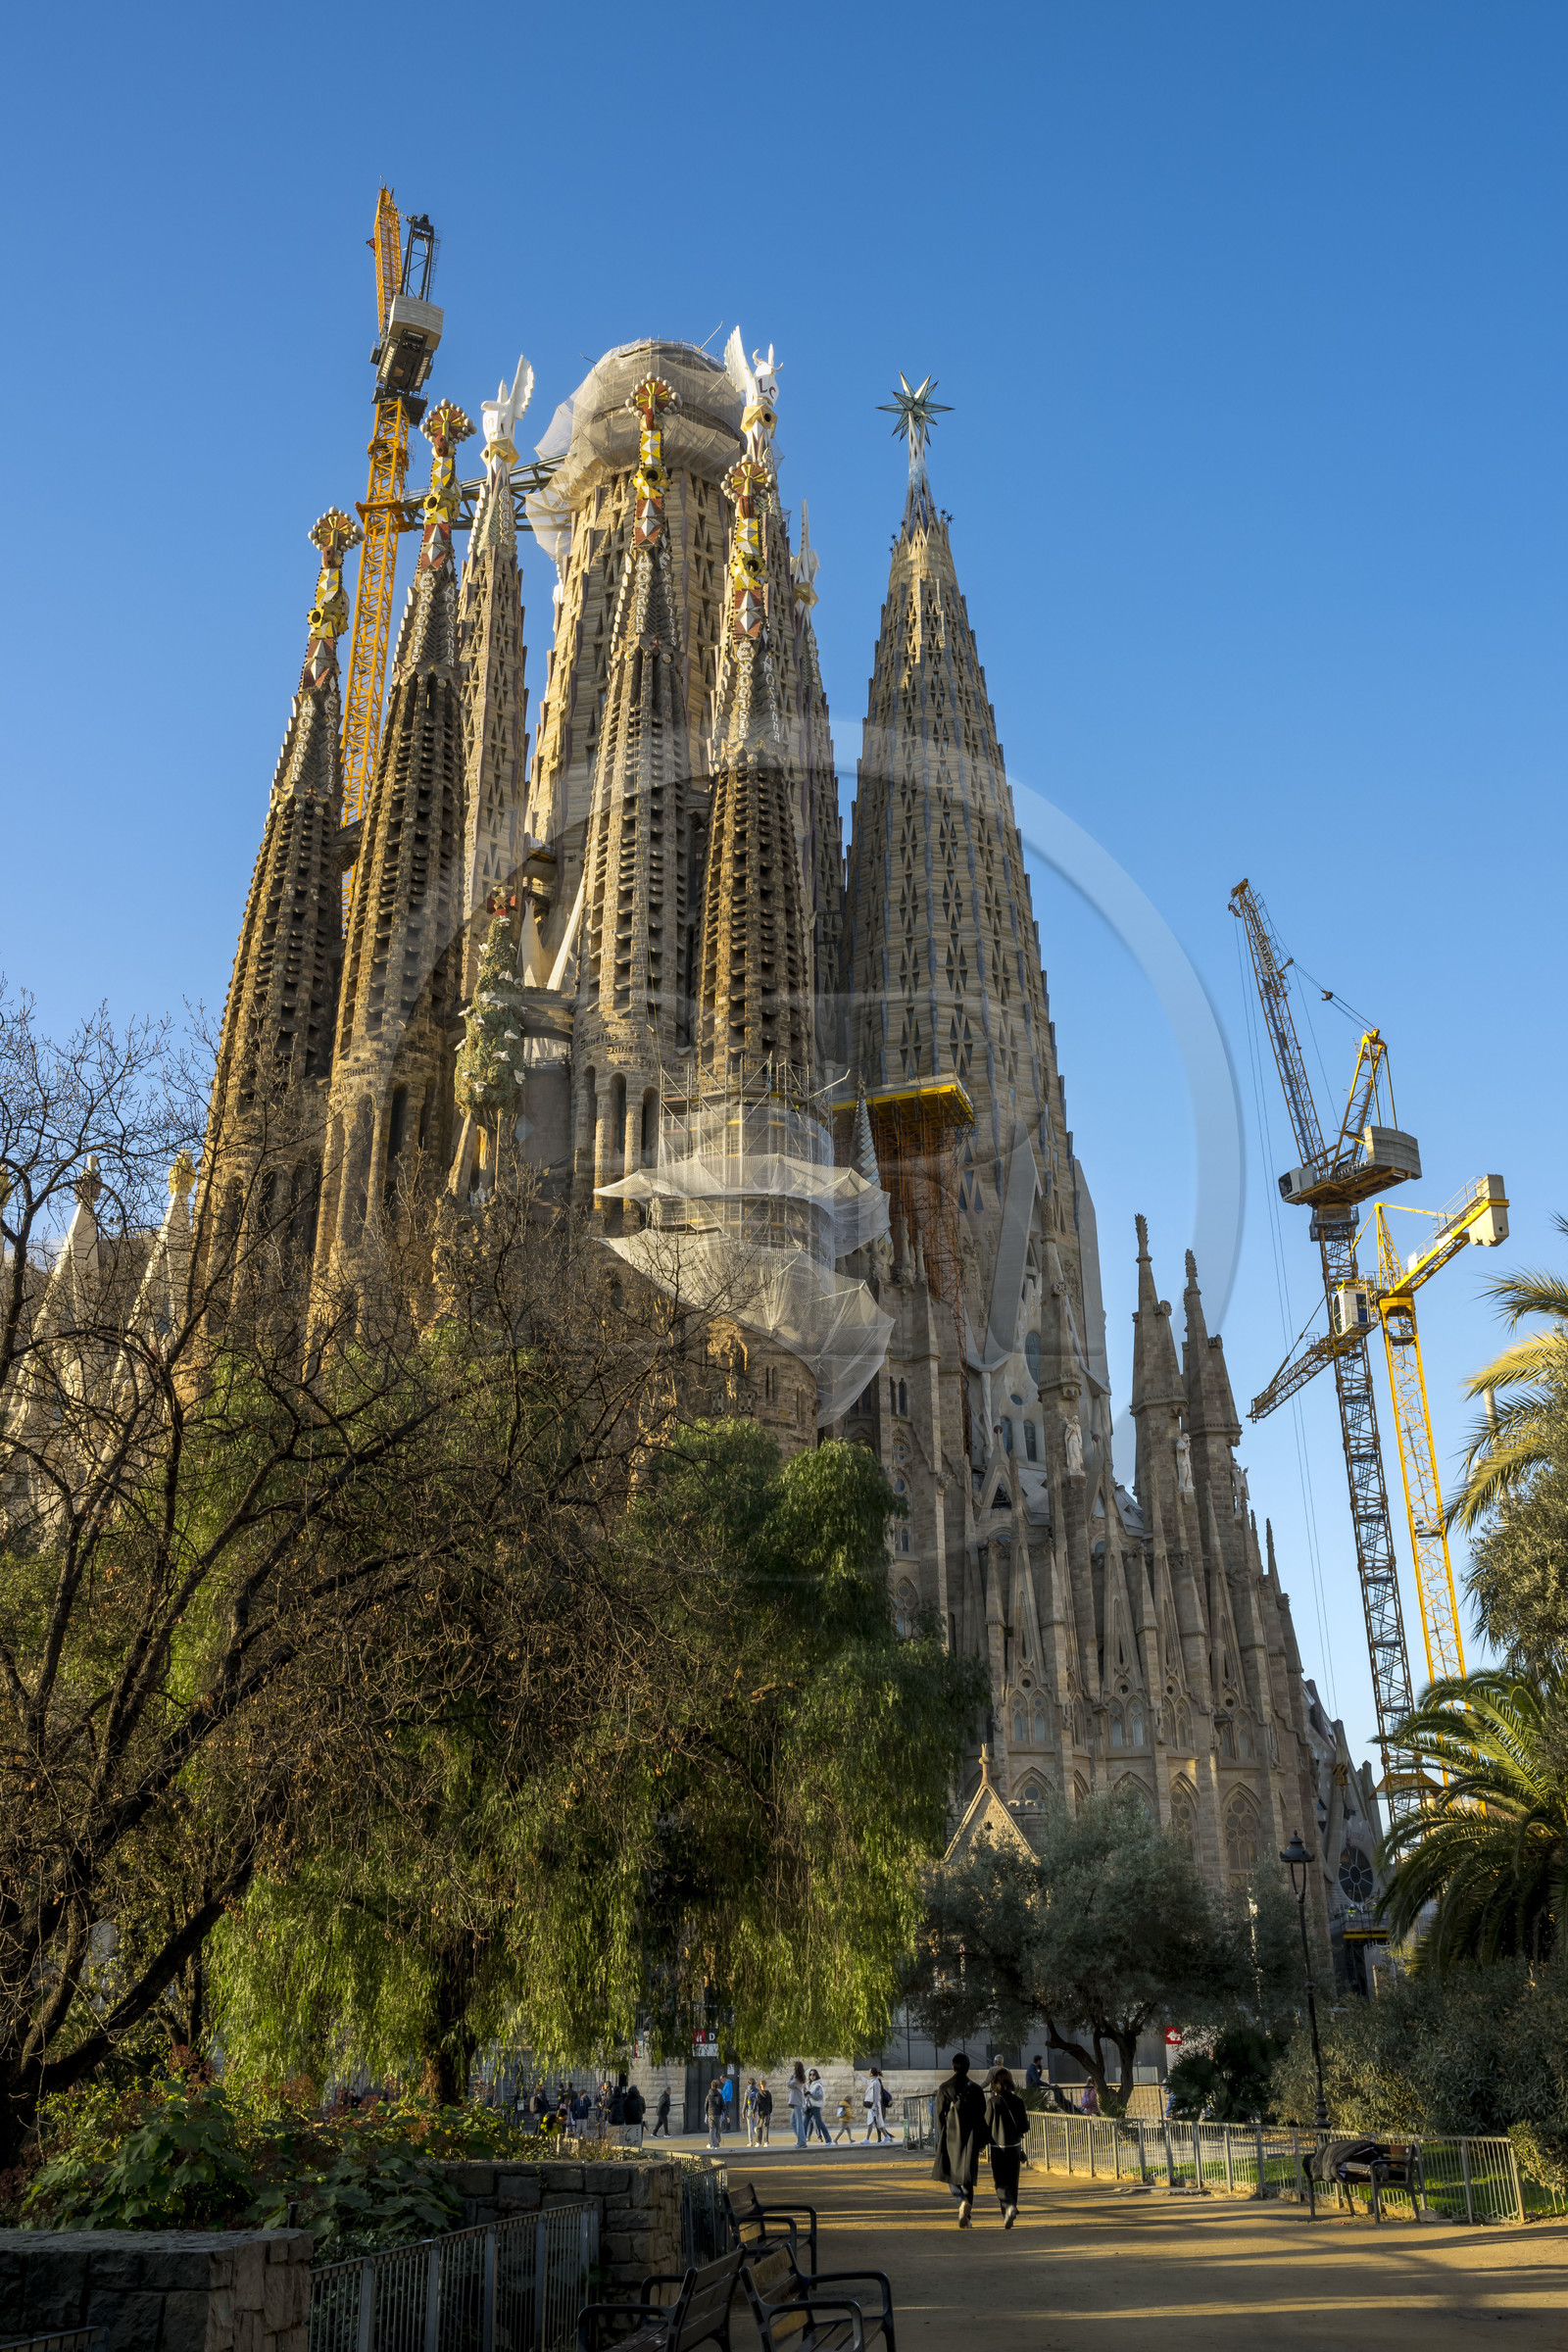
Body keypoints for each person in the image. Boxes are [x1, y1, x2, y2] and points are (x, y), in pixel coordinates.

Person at [931, 2052, 990, 2228]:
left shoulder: (944, 2088)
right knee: (968, 2177)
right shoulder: (977, 2089)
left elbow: (939, 2115)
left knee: (950, 2175)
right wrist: (980, 2140)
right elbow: (982, 2116)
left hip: (951, 2137)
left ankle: (961, 2201)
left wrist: (943, 2135)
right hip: (970, 2137)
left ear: (953, 2066)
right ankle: (968, 2216)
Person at [985, 2066, 1030, 2230]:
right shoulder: (1018, 2101)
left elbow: (986, 2126)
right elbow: (1024, 2126)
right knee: (1013, 2182)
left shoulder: (992, 2102)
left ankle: (1008, 2209)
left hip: (998, 2148)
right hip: (1015, 2146)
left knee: (1000, 2183)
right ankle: (1010, 2212)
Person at [862, 2066, 891, 2143]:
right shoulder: (872, 2081)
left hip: (874, 2106)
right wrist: (859, 2076)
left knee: (871, 2122)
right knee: (876, 2123)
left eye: (869, 2071)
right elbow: (866, 2081)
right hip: (874, 2106)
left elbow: (876, 2096)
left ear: (872, 2073)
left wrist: (874, 2106)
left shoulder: (876, 2082)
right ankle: (886, 2136)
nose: (868, 2073)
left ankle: (867, 2139)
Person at [806, 2068, 831, 2143]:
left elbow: (819, 2096)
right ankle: (802, 2140)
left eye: (813, 2074)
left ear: (816, 2075)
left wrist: (809, 2094)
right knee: (805, 2123)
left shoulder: (818, 2085)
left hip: (815, 2107)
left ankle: (827, 2139)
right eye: (810, 2075)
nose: (812, 2076)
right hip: (809, 2107)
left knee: (819, 2123)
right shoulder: (809, 2085)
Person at [789, 2063, 808, 2147]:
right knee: (793, 2121)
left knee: (798, 2122)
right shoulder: (800, 2077)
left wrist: (791, 2078)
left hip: (798, 2103)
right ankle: (801, 2139)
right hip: (798, 2102)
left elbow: (789, 2085)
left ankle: (802, 2142)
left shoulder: (796, 2078)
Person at [706, 2077, 726, 2150]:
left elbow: (706, 2106)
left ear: (712, 2086)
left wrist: (707, 2114)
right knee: (718, 2129)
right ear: (717, 2086)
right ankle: (717, 2143)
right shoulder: (720, 2095)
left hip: (711, 2113)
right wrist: (726, 2115)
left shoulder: (709, 2095)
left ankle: (712, 2144)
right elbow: (723, 2105)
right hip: (718, 2114)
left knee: (712, 2129)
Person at [756, 2080, 773, 2147]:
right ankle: (766, 2141)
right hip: (767, 2112)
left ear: (760, 2086)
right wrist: (770, 2111)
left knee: (759, 2127)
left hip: (760, 2112)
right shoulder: (768, 2094)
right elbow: (771, 2104)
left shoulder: (758, 2094)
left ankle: (758, 2142)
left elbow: (756, 2103)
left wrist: (754, 2111)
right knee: (766, 2127)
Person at [743, 2078, 760, 2146]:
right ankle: (758, 2139)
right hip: (755, 2110)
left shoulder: (747, 2091)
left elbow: (745, 2103)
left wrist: (743, 2112)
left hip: (749, 2110)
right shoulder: (757, 2091)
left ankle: (750, 2142)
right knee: (755, 2126)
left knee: (749, 2127)